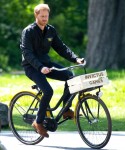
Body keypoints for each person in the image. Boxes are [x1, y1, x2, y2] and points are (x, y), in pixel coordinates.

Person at [20, 4, 84, 137]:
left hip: (47, 64)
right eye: (42, 16)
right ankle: (38, 122)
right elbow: (27, 53)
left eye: (46, 16)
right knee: (48, 91)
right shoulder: (28, 31)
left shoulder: (50, 30)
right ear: (36, 15)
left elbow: (61, 48)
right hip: (32, 67)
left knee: (71, 77)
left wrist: (76, 59)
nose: (44, 19)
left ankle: (66, 110)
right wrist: (40, 67)